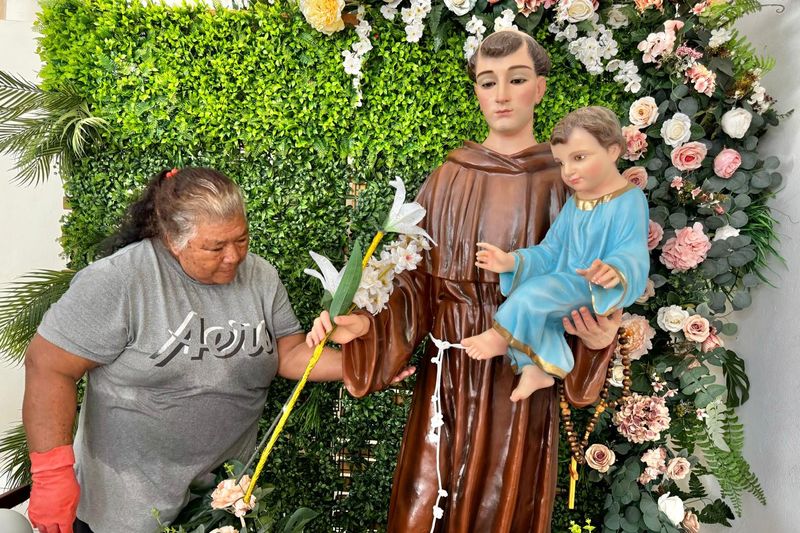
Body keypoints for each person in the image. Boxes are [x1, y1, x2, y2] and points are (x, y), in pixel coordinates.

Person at [309, 31, 622, 532]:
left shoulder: (565, 185)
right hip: (447, 367)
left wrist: (596, 342)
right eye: (487, 81)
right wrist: (368, 328)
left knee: (504, 505)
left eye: (516, 80)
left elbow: (587, 290)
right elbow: (415, 285)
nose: (501, 94)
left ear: (538, 89)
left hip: (518, 374)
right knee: (422, 506)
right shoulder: (449, 176)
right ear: (476, 91)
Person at [21, 167, 400, 533]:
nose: (234, 256)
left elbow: (289, 354)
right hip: (125, 511)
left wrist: (365, 366)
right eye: (215, 247)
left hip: (220, 505)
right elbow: (48, 366)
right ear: (172, 239)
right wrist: (51, 475)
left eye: (241, 239)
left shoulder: (260, 276)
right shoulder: (121, 280)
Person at [461, 106, 649, 402]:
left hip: (593, 288)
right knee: (541, 307)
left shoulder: (628, 200)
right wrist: (512, 261)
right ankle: (536, 369)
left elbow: (633, 248)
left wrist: (615, 269)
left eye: (579, 158)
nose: (569, 171)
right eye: (562, 162)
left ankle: (499, 337)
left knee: (537, 292)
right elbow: (550, 251)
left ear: (612, 151)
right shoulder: (575, 204)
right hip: (564, 282)